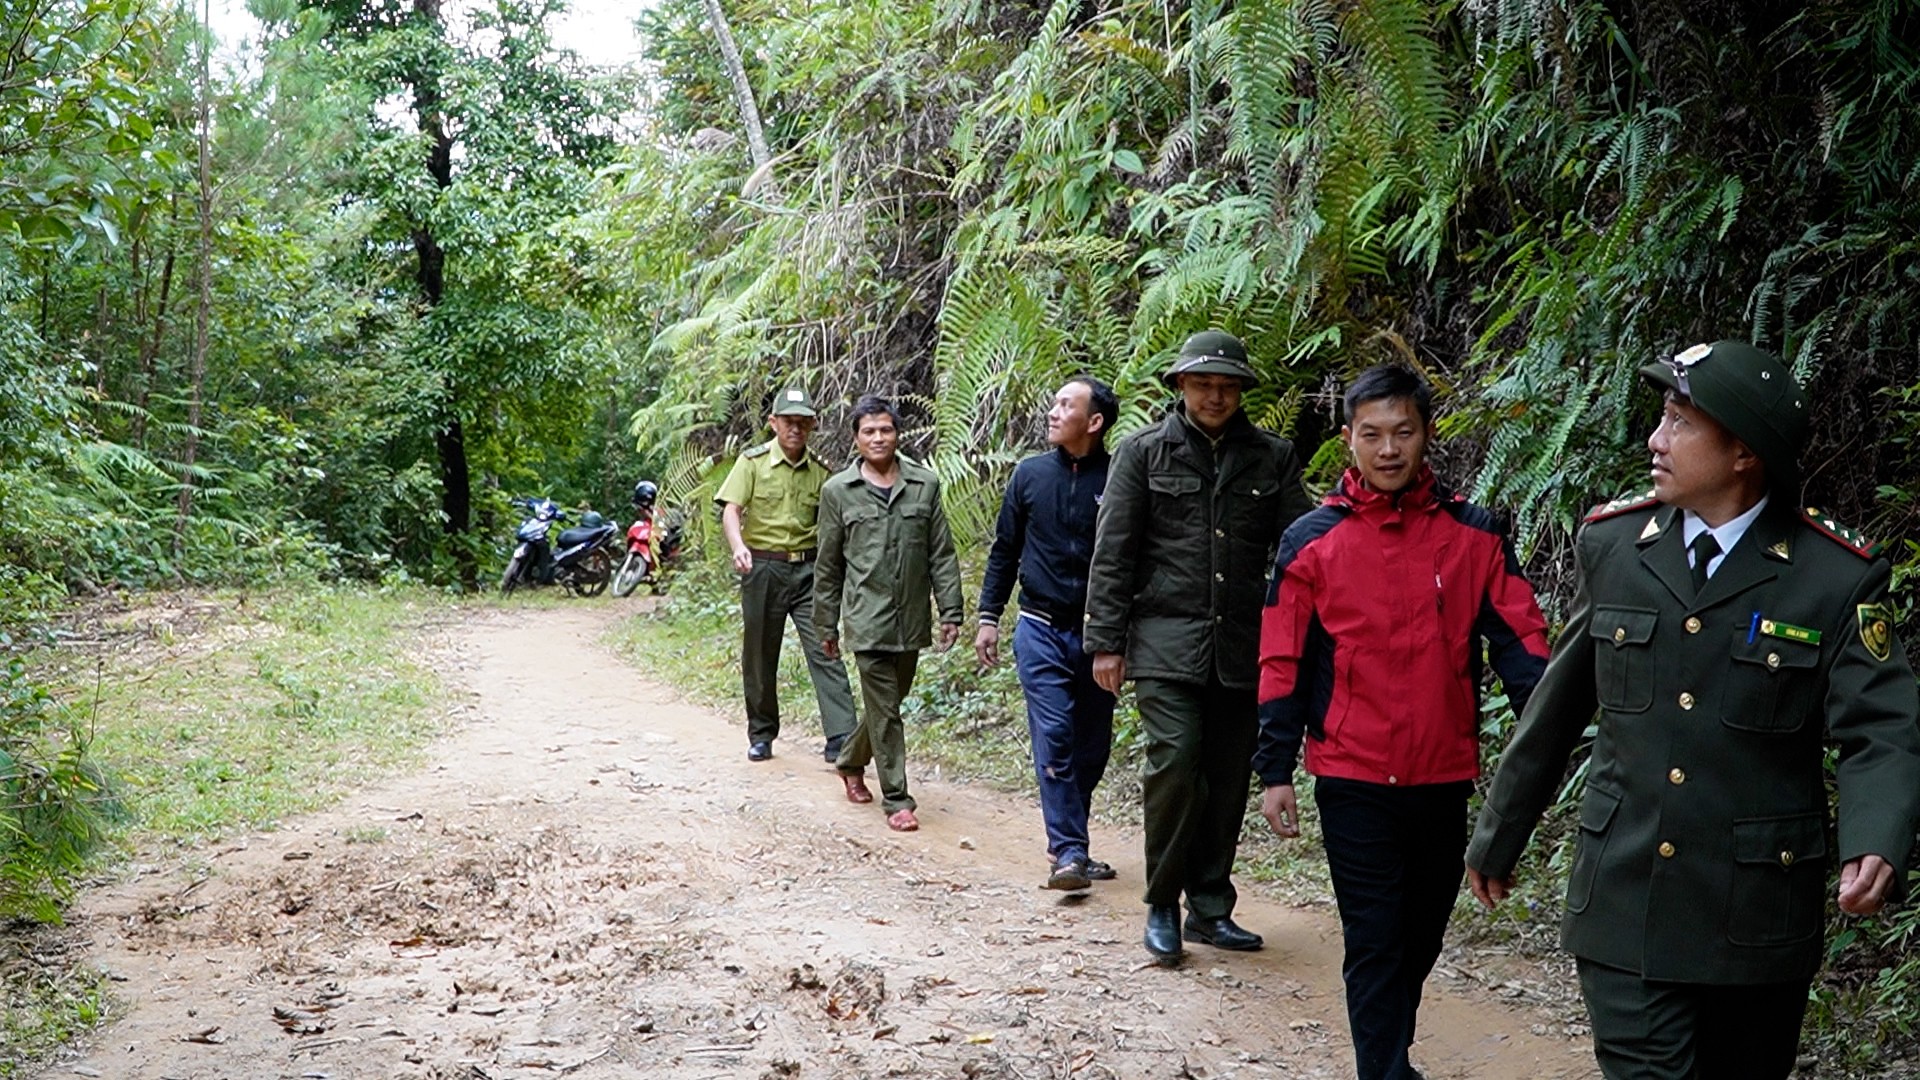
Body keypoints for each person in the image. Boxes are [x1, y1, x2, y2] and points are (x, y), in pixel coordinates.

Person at [1464, 340, 1920, 1079]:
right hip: (1625, 894)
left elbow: (1882, 727)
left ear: (1743, 452)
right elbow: (1558, 703)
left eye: (1679, 421)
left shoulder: (1832, 577)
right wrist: (1500, 831)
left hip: (1756, 915)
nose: (1655, 439)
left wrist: (1876, 839)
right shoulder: (1615, 546)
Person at [1254, 364, 1551, 1080]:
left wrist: (1548, 732)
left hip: (1443, 773)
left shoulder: (1474, 534)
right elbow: (1281, 657)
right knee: (1377, 938)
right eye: (1372, 435)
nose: (1388, 450)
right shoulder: (1310, 541)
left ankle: (1392, 1053)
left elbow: (1524, 646)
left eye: (1403, 433)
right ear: (1349, 440)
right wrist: (1274, 768)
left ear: (1426, 435)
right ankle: (1382, 1070)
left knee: (1421, 934)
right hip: (1352, 772)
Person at [1084, 329, 1315, 966]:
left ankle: (1209, 906)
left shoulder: (1272, 457)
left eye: (1228, 386)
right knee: (1177, 760)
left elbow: (1303, 547)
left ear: (1241, 392)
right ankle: (1161, 901)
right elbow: (1114, 553)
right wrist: (1106, 641)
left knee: (1226, 775)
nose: (1216, 396)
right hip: (1163, 642)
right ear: (1180, 386)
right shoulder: (1142, 454)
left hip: (1243, 646)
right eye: (1204, 383)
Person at [976, 376, 1120, 891]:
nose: (1054, 412)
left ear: (1095, 421)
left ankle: (1072, 842)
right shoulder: (1030, 475)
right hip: (1039, 628)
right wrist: (989, 616)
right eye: (1054, 403)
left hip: (1099, 636)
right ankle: (1069, 851)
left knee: (1092, 747)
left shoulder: (1120, 478)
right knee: (1055, 738)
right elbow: (1004, 549)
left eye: (1066, 405)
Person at [815, 395, 965, 832]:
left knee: (888, 704)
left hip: (911, 618)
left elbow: (941, 553)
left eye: (886, 430)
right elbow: (828, 565)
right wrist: (826, 622)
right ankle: (897, 798)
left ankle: (849, 761)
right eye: (869, 431)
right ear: (856, 439)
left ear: (898, 435)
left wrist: (950, 609)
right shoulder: (837, 492)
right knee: (887, 709)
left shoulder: (925, 485)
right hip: (866, 617)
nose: (878, 438)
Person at [714, 386, 859, 764]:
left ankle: (842, 736)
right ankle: (761, 733)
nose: (795, 429)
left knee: (825, 646)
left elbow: (835, 525)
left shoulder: (823, 473)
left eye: (802, 422)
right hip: (763, 567)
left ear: (811, 425)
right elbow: (731, 509)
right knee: (760, 653)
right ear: (773, 423)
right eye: (788, 421)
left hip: (810, 571)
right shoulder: (753, 463)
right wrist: (738, 546)